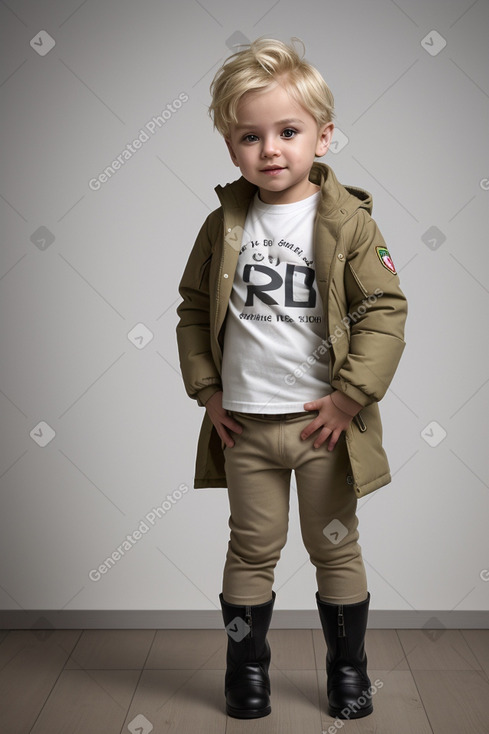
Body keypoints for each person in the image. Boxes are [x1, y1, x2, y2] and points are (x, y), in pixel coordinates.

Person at [175, 37, 407, 721]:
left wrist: (349, 397)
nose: (269, 149)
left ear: (322, 135)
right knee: (249, 550)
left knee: (335, 547)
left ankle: (347, 673)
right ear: (230, 145)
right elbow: (192, 309)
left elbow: (383, 310)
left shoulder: (350, 224)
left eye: (287, 131)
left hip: (322, 428)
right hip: (245, 424)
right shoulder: (222, 226)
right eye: (250, 136)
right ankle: (245, 675)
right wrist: (207, 391)